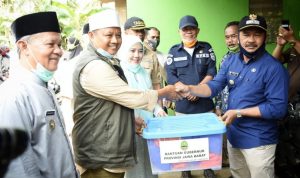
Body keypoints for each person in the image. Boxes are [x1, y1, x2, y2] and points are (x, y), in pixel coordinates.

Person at [176, 14, 289, 178]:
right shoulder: (231, 61)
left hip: (259, 141)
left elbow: (277, 108)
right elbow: (214, 86)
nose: (251, 40)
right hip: (234, 136)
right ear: (239, 36)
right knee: (238, 175)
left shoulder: (274, 68)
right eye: (246, 34)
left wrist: (238, 112)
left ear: (265, 37)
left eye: (257, 34)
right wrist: (190, 89)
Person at [71, 9, 180, 178]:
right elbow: (131, 97)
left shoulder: (107, 61)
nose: (115, 41)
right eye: (109, 35)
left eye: (118, 35)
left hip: (110, 147)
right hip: (99, 155)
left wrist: (130, 120)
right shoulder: (94, 66)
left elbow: (108, 106)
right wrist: (165, 92)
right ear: (91, 36)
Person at [0, 11, 78, 178]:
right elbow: (18, 167)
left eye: (59, 44)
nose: (59, 51)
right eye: (50, 44)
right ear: (23, 46)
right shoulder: (14, 95)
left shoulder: (43, 86)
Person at [165, 15, 217, 178]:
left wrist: (197, 90)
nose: (189, 32)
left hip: (204, 104)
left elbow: (212, 72)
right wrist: (186, 92)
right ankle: (185, 169)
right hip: (183, 105)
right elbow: (171, 76)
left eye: (192, 28)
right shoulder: (173, 51)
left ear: (197, 30)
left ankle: (207, 168)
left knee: (206, 137)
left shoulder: (207, 48)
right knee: (185, 140)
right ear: (179, 31)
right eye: (185, 29)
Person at [119, 35, 166, 178]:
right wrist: (133, 119)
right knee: (135, 167)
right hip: (130, 127)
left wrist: (158, 110)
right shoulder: (120, 73)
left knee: (151, 164)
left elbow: (149, 95)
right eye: (132, 51)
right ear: (123, 51)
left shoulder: (143, 72)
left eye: (140, 51)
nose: (137, 55)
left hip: (148, 126)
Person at [272, 24, 300, 178]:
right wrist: (280, 45)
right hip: (290, 102)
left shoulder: (295, 44)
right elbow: (274, 61)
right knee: (286, 141)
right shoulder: (293, 49)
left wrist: (292, 40)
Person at [124, 17, 161, 90]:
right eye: (136, 30)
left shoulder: (151, 54)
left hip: (148, 98)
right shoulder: (116, 53)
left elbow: (156, 84)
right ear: (126, 32)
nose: (140, 33)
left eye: (142, 30)